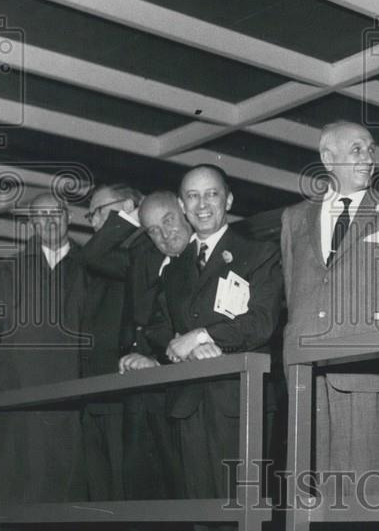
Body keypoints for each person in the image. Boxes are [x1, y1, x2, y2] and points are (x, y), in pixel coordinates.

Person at [281, 121, 379, 499]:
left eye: (371, 150)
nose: (368, 158)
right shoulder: (294, 218)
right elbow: (295, 291)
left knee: (361, 496)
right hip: (307, 372)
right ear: (328, 159)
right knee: (309, 496)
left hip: (367, 368)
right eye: (357, 149)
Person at [158, 165, 283, 515]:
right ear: (182, 205)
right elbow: (161, 328)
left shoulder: (259, 252)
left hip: (239, 400)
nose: (202, 204)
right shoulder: (173, 269)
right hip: (188, 403)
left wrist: (203, 336)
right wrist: (178, 348)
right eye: (192, 196)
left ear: (228, 200)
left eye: (211, 194)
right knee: (200, 512)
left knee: (242, 512)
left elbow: (262, 322)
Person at [0, 193, 88, 504]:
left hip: (75, 403)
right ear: (31, 223)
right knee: (15, 494)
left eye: (55, 213)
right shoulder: (6, 272)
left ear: (68, 216)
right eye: (40, 215)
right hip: (16, 401)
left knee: (71, 496)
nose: (49, 221)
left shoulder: (92, 268)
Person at [97, 189, 194, 504]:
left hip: (183, 389)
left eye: (168, 221)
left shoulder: (206, 257)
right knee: (143, 489)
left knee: (185, 488)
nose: (164, 234)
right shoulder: (144, 256)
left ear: (183, 210)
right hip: (142, 388)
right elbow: (94, 255)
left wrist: (157, 361)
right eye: (153, 229)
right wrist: (129, 215)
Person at [78, 182, 144, 501]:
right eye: (90, 215)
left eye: (98, 212)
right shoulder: (105, 258)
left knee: (122, 492)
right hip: (92, 393)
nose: (92, 221)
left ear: (128, 207)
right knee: (99, 494)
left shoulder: (141, 251)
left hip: (120, 393)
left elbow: (93, 253)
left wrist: (130, 218)